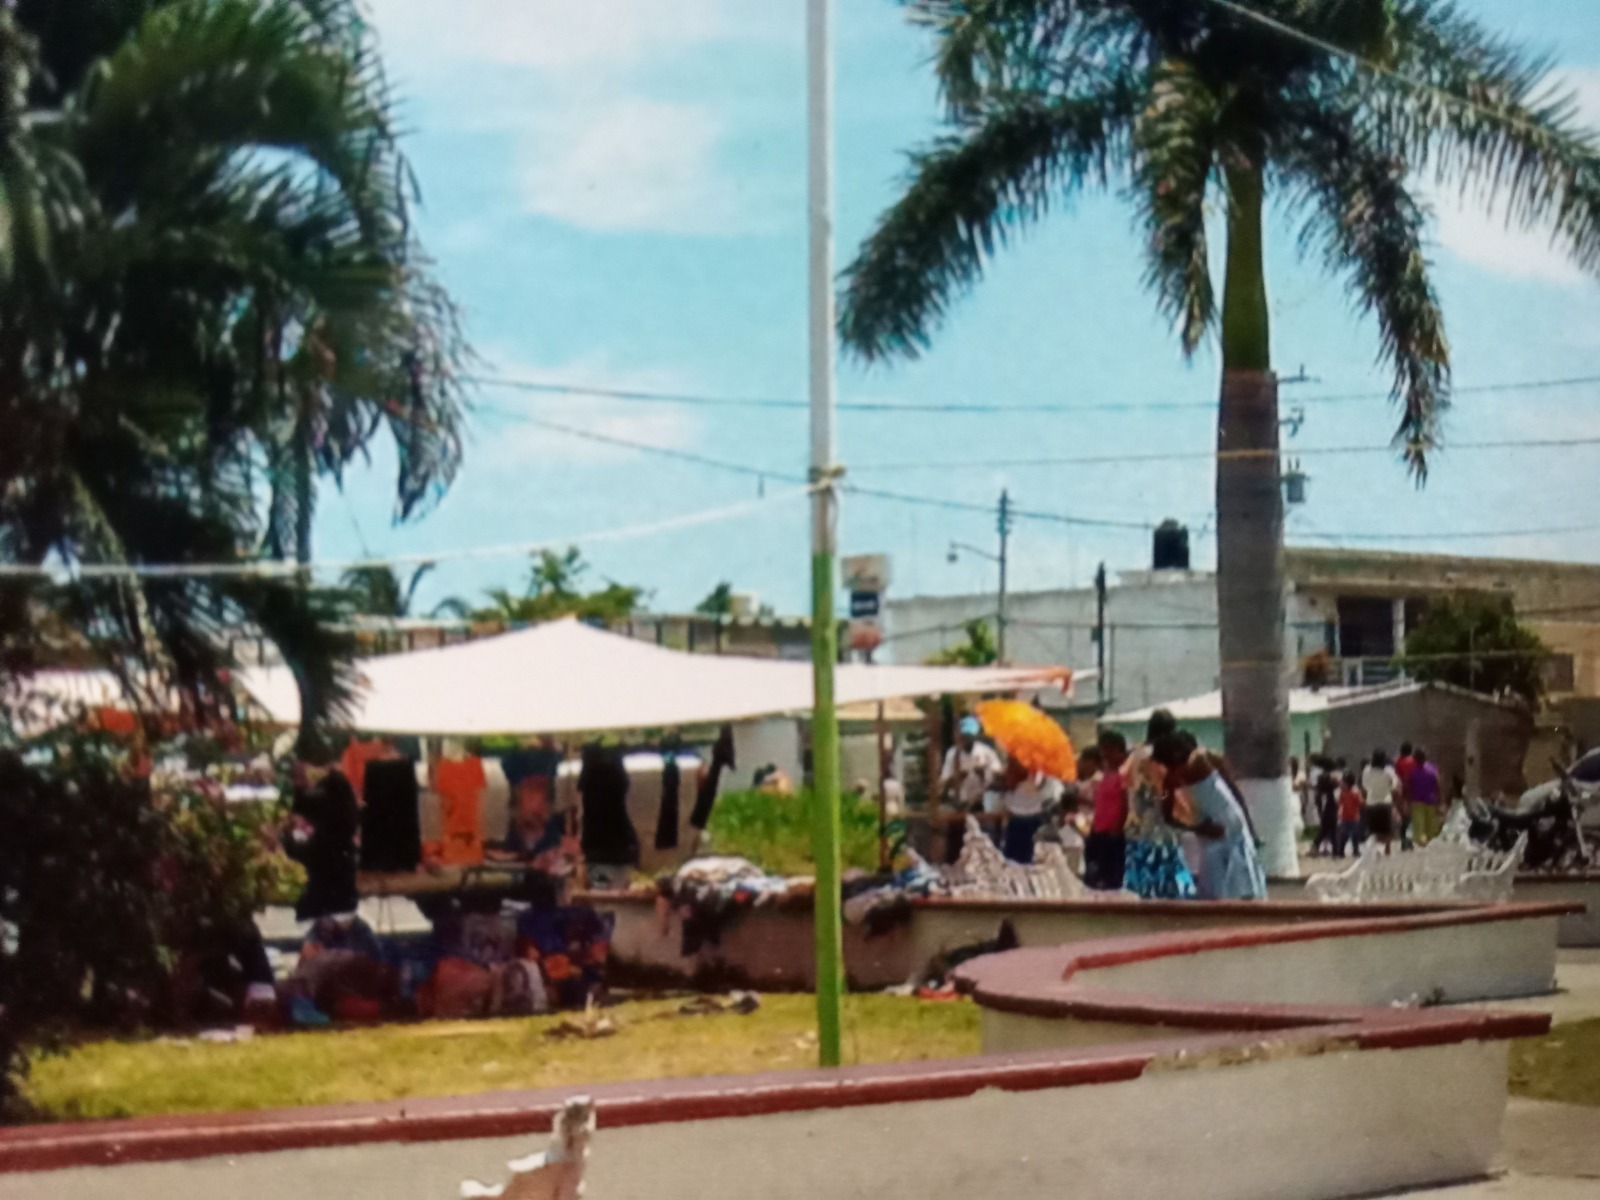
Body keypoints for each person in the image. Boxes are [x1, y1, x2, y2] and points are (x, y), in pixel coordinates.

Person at [1151, 733, 1266, 900]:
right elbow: (1166, 811)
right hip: (1217, 829)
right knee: (1227, 884)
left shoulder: (1201, 761)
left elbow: (1233, 791)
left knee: (1235, 883)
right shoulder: (1176, 775)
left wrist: (1161, 794)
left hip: (1226, 826)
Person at [1123, 741, 1197, 899]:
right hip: (1159, 837)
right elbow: (1162, 800)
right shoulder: (1154, 788)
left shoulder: (1138, 787)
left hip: (1142, 836)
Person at [939, 715, 1002, 864]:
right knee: (955, 843)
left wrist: (984, 774)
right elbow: (944, 781)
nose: (967, 740)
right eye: (965, 736)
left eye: (970, 736)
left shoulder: (986, 753)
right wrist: (958, 777)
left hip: (979, 803)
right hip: (959, 803)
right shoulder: (953, 754)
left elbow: (997, 777)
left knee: (981, 841)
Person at [1084, 729, 1130, 890]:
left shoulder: (1124, 773)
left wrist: (1117, 828)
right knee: (1093, 879)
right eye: (1103, 750)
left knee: (1110, 881)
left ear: (1119, 749)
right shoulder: (1106, 774)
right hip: (1098, 832)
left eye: (1109, 750)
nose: (1105, 755)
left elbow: (1125, 803)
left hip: (1112, 835)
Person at [995, 757, 1059, 864]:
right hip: (1032, 816)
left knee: (1013, 857)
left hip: (1018, 818)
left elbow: (1008, 789)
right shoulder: (1039, 773)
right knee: (1027, 855)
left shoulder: (1016, 771)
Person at [1361, 749, 1400, 854]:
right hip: (1385, 801)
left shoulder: (1367, 770)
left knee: (1373, 828)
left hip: (1371, 801)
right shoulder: (1388, 771)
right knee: (1386, 827)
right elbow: (1394, 785)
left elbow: (1364, 785)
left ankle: (1375, 848)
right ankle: (1387, 848)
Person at [1408, 748, 1443, 844]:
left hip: (1417, 799)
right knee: (1430, 821)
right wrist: (1439, 798)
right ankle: (1429, 837)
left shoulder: (1413, 771)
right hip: (1430, 799)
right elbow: (1438, 784)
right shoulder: (1433, 768)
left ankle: (1421, 839)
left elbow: (1409, 786)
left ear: (1415, 759)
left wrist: (1407, 799)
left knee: (1418, 822)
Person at [1311, 756, 1340, 857]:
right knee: (1329, 827)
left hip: (1324, 802)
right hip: (1328, 802)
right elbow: (1335, 786)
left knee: (1327, 827)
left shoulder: (1322, 776)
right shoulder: (1329, 777)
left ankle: (1334, 849)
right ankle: (1335, 850)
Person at [1394, 742, 1418, 851]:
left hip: (1402, 791)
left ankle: (1404, 841)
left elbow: (1396, 776)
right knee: (1412, 818)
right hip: (1413, 791)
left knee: (1404, 818)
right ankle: (1409, 841)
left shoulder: (1397, 761)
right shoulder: (1413, 761)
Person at [1336, 770, 1365, 858]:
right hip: (1345, 817)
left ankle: (1355, 850)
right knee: (1343, 835)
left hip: (1354, 817)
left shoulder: (1355, 792)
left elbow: (1361, 803)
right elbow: (1339, 803)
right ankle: (1341, 851)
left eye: (1343, 782)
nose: (1341, 784)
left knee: (1355, 835)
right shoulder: (1343, 793)